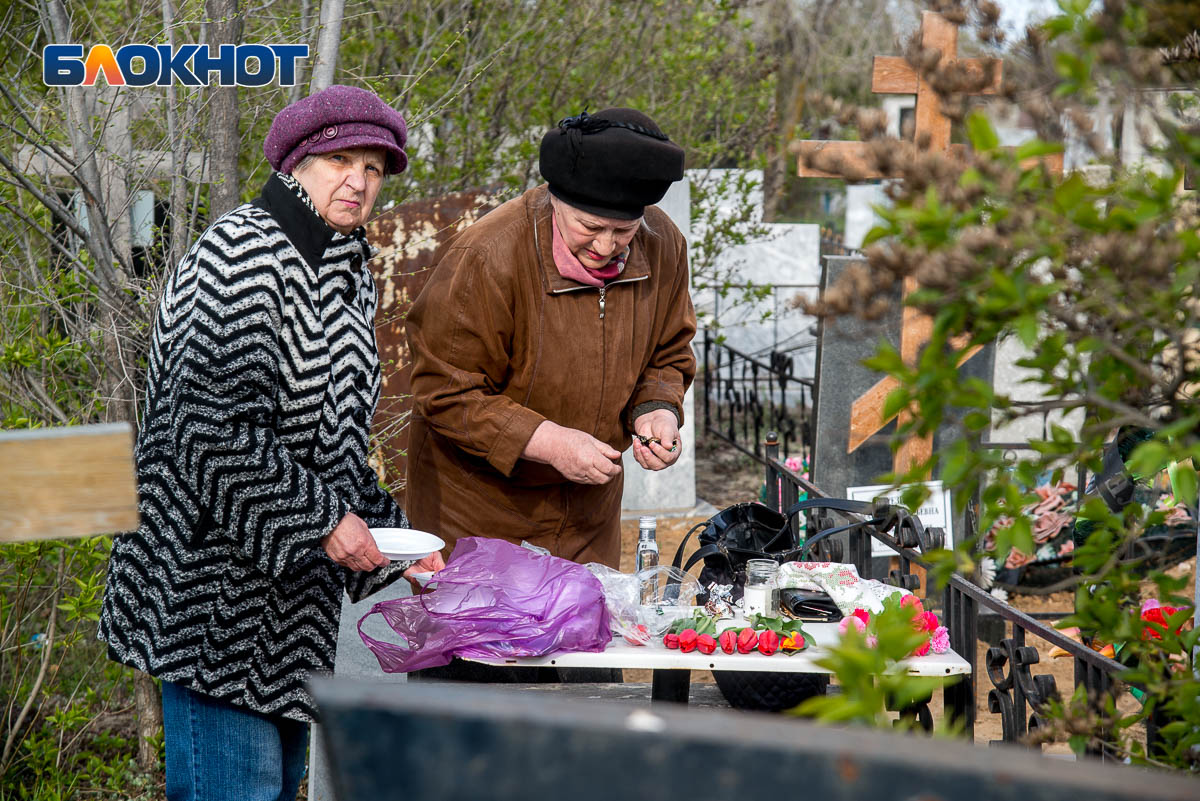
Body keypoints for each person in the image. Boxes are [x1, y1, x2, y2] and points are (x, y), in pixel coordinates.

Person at [98, 85, 443, 801]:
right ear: (296, 164)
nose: (359, 180)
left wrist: (398, 543)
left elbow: (333, 442)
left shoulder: (343, 264)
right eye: (340, 159)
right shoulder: (242, 253)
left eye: (375, 167)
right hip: (207, 601)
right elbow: (207, 428)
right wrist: (323, 521)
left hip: (286, 615)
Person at [406, 107, 696, 569]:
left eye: (622, 232)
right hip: (480, 508)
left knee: (582, 637)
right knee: (486, 640)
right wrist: (549, 442)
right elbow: (444, 390)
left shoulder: (663, 244)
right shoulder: (489, 254)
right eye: (590, 228)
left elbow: (668, 351)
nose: (605, 247)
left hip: (588, 510)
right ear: (554, 202)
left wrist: (656, 409)